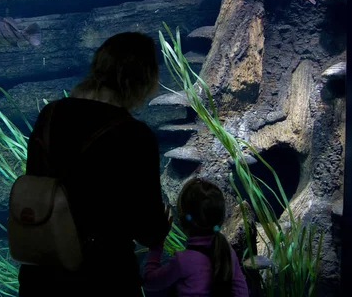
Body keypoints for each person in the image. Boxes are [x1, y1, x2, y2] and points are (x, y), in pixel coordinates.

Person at [17, 32, 171, 297]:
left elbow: (36, 189)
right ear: (143, 79)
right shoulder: (135, 135)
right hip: (104, 277)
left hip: (43, 276)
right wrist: (162, 226)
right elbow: (148, 229)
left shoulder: (50, 115)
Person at [142, 177, 249, 297]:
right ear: (221, 218)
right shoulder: (228, 251)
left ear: (182, 219)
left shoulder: (182, 261)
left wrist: (157, 244)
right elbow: (242, 292)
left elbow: (149, 281)